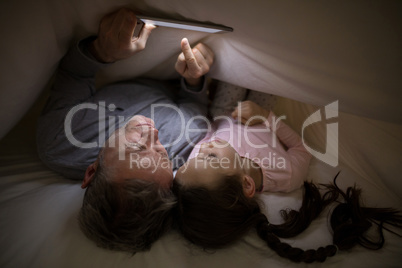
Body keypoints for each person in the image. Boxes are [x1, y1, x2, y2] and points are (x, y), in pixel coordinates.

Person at [36, 8, 214, 252]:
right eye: (162, 155)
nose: (153, 134)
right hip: (170, 72)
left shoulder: (59, 142)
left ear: (92, 171)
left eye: (135, 147)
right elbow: (194, 101)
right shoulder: (186, 143)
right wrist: (194, 77)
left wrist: (102, 51)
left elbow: (74, 74)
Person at [173, 94, 402, 263]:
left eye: (193, 159)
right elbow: (300, 148)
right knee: (256, 70)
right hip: (259, 112)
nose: (203, 148)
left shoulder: (200, 170)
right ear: (246, 183)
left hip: (222, 109)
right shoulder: (285, 174)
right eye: (211, 156)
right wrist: (265, 116)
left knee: (229, 72)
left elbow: (207, 135)